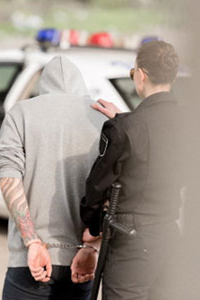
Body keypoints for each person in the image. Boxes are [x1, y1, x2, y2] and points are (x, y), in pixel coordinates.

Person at [81, 40, 185, 299]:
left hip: (132, 243)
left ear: (141, 75)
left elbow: (96, 188)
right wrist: (126, 119)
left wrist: (92, 227)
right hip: (170, 236)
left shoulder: (124, 129)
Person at [0, 56, 105, 299]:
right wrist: (91, 247)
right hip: (83, 261)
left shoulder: (21, 113)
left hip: (30, 260)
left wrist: (33, 243)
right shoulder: (102, 118)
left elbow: (9, 177)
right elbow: (114, 189)